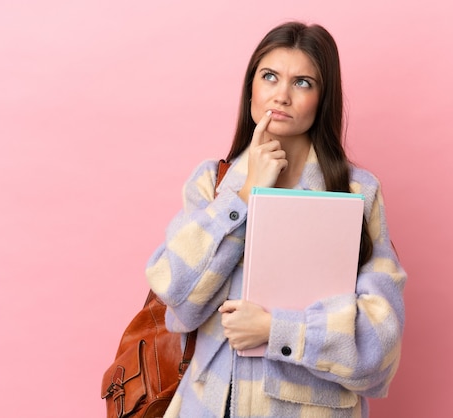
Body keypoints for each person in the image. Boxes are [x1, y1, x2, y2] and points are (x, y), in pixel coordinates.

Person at [146, 21, 406, 418]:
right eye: (269, 77)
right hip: (209, 406)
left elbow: (379, 349)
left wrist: (276, 331)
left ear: (323, 98)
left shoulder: (356, 193)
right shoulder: (211, 184)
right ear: (251, 86)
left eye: (303, 83)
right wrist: (244, 196)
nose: (281, 95)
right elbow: (177, 302)